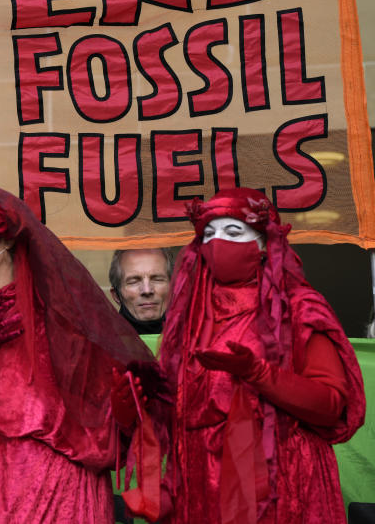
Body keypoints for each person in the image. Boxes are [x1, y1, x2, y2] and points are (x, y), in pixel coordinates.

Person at [0, 186, 157, 523]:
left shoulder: (67, 315)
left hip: (67, 495)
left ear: (6, 239)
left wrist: (124, 419)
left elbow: (109, 444)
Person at [121, 188, 365, 524]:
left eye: (234, 232)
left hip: (281, 489)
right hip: (204, 488)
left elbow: (330, 406)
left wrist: (260, 374)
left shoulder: (299, 308)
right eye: (208, 233)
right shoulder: (190, 317)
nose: (218, 242)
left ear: (265, 244)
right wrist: (143, 401)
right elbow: (182, 415)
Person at [109, 248, 173, 334]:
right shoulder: (99, 343)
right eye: (133, 282)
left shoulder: (194, 340)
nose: (147, 290)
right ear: (116, 295)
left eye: (157, 279)